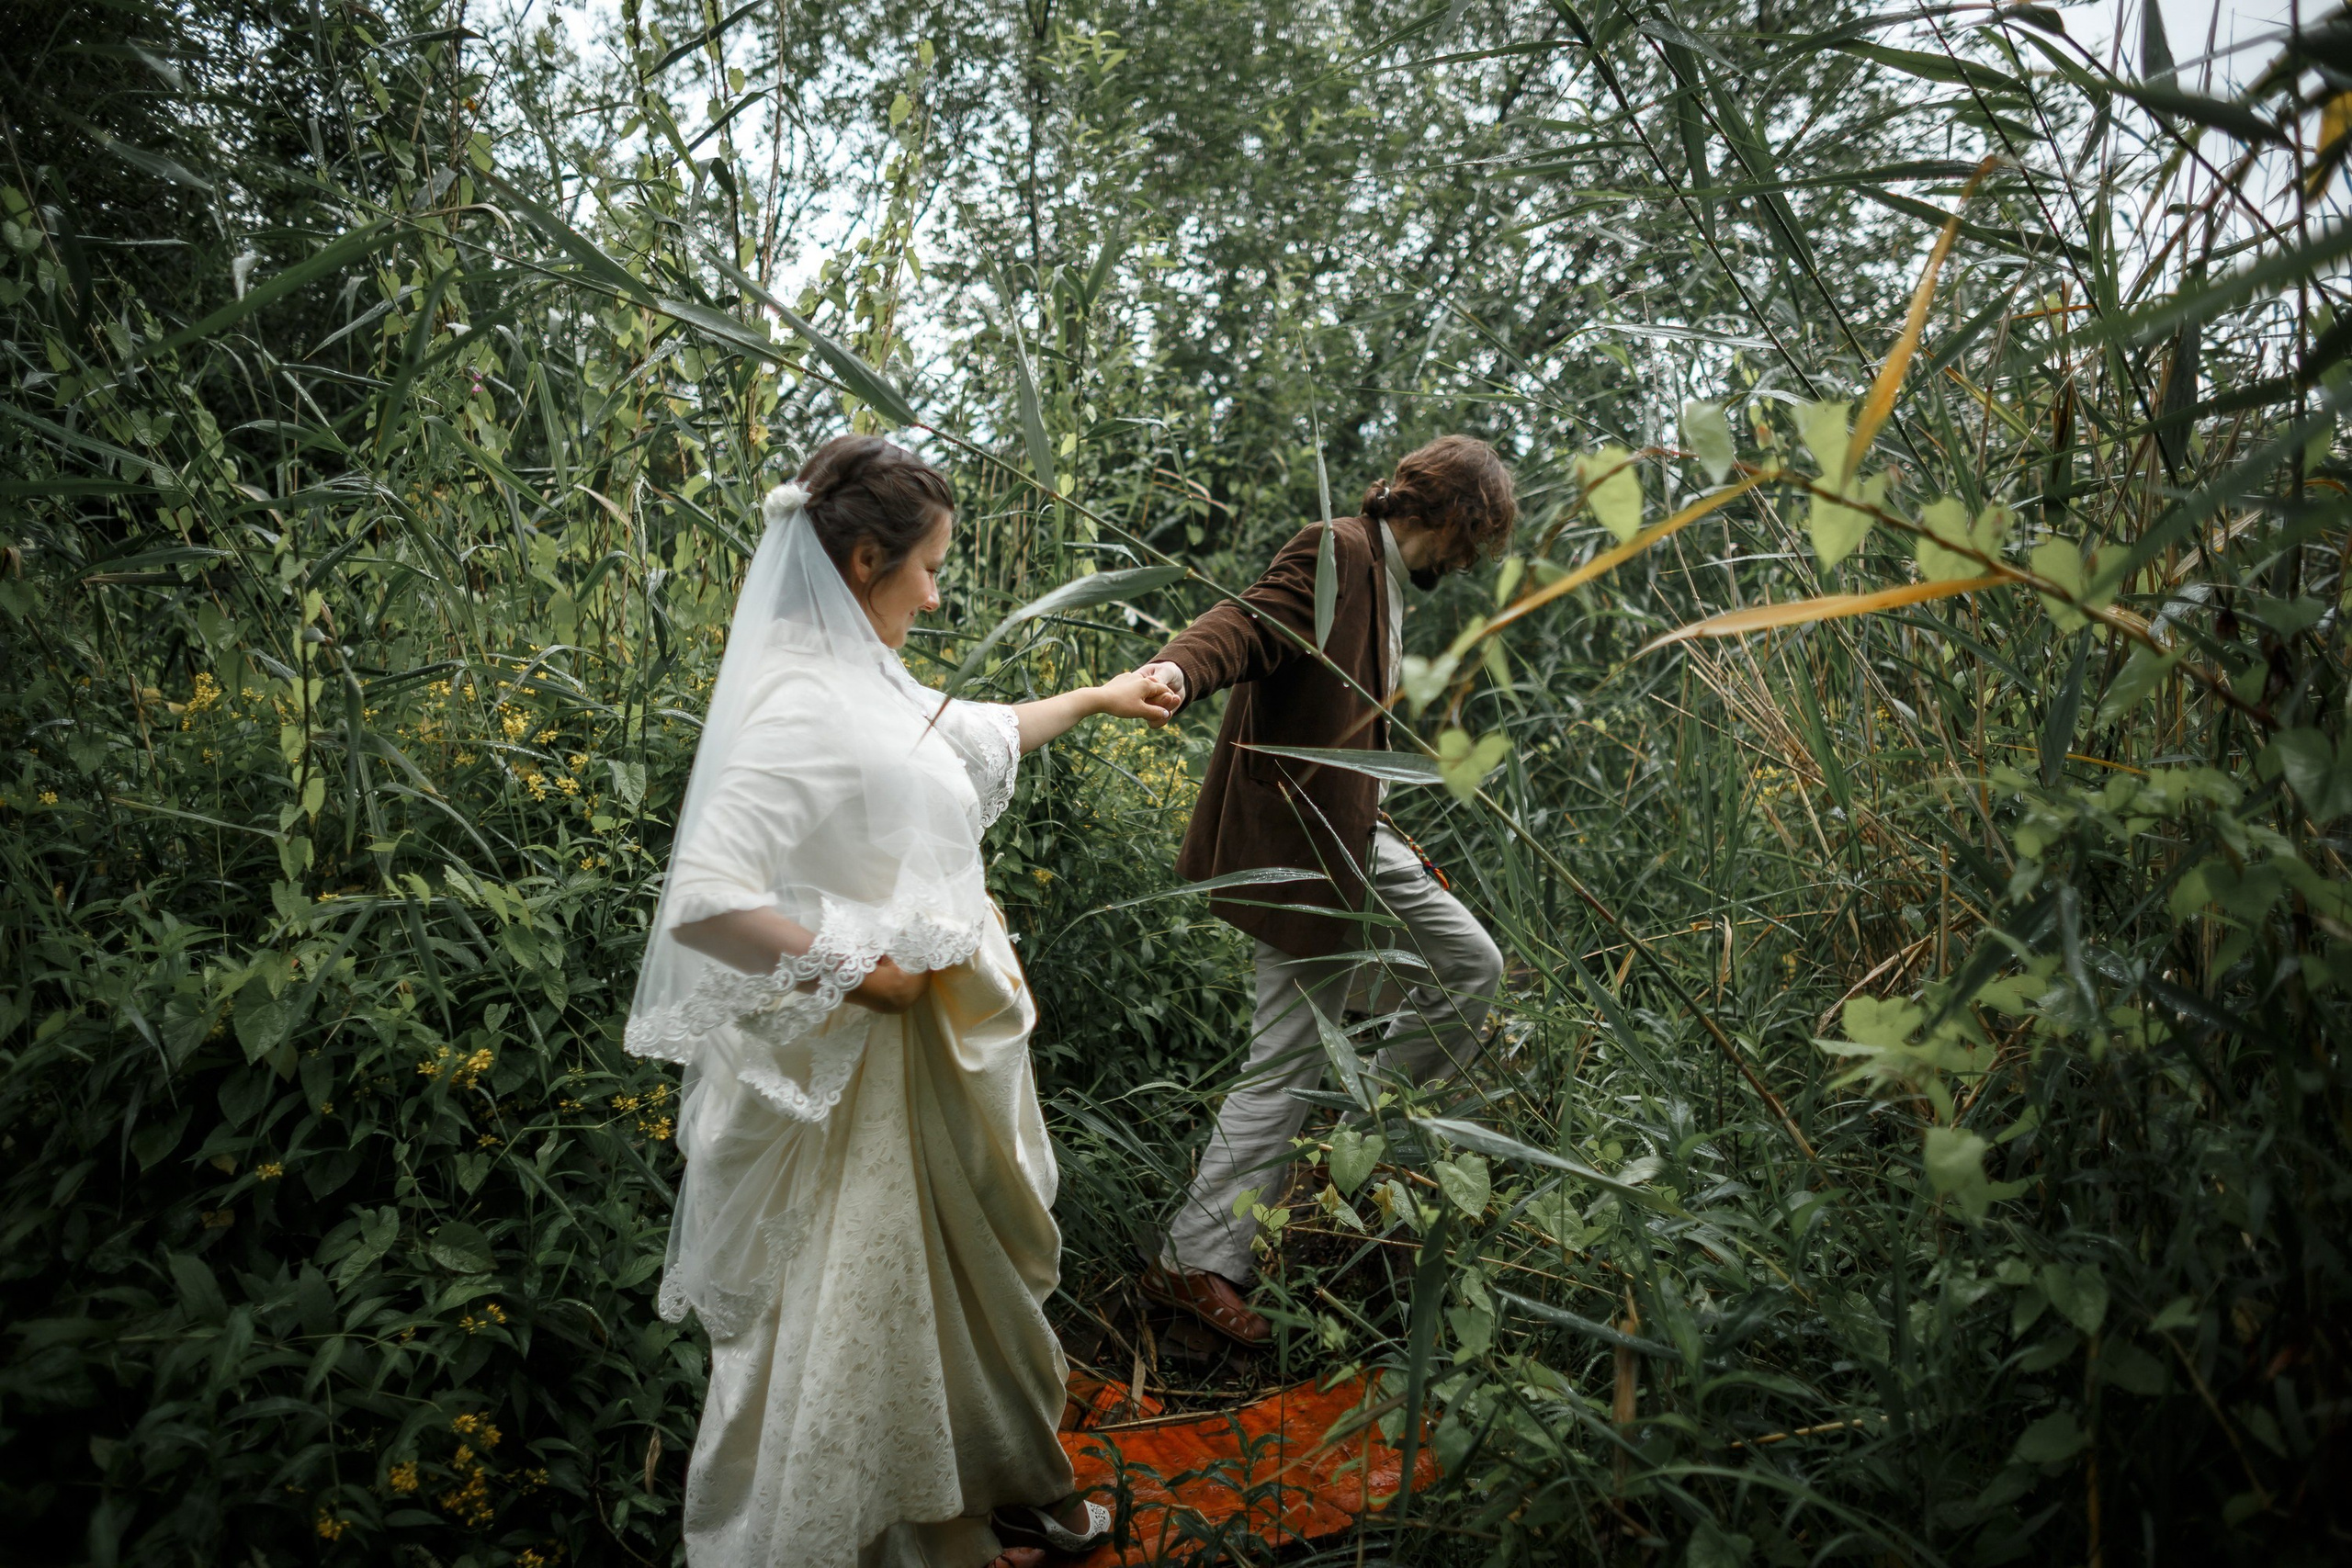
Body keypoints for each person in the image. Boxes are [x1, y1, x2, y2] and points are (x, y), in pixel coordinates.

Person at [624, 435, 1173, 1568]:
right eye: (926, 567)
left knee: (982, 1300)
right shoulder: (790, 708)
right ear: (866, 557)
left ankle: (1009, 1489)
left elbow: (964, 734)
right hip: (858, 1088)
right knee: (860, 1322)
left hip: (944, 1068)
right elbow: (706, 900)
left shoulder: (866, 678)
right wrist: (865, 975)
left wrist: (1097, 697)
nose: (936, 592)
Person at [1136, 435, 1515, 1346]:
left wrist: (1383, 823)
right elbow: (1250, 622)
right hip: (1305, 854)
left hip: (1351, 843)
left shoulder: (1382, 579)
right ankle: (1221, 1245)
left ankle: (1338, 1155)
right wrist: (1179, 669)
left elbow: (1342, 741)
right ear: (1454, 518)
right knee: (1324, 1040)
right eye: (1472, 542)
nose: (1463, 565)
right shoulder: (1339, 549)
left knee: (1455, 974)